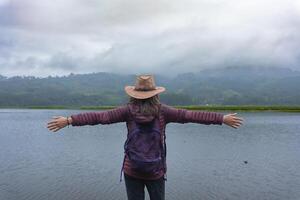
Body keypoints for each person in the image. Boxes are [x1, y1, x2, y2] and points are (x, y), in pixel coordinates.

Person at [47, 74, 243, 200]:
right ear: (155, 94)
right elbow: (190, 115)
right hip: (156, 170)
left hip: (132, 169)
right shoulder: (163, 111)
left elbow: (100, 117)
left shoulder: (127, 111)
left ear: (134, 94)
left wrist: (69, 119)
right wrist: (221, 118)